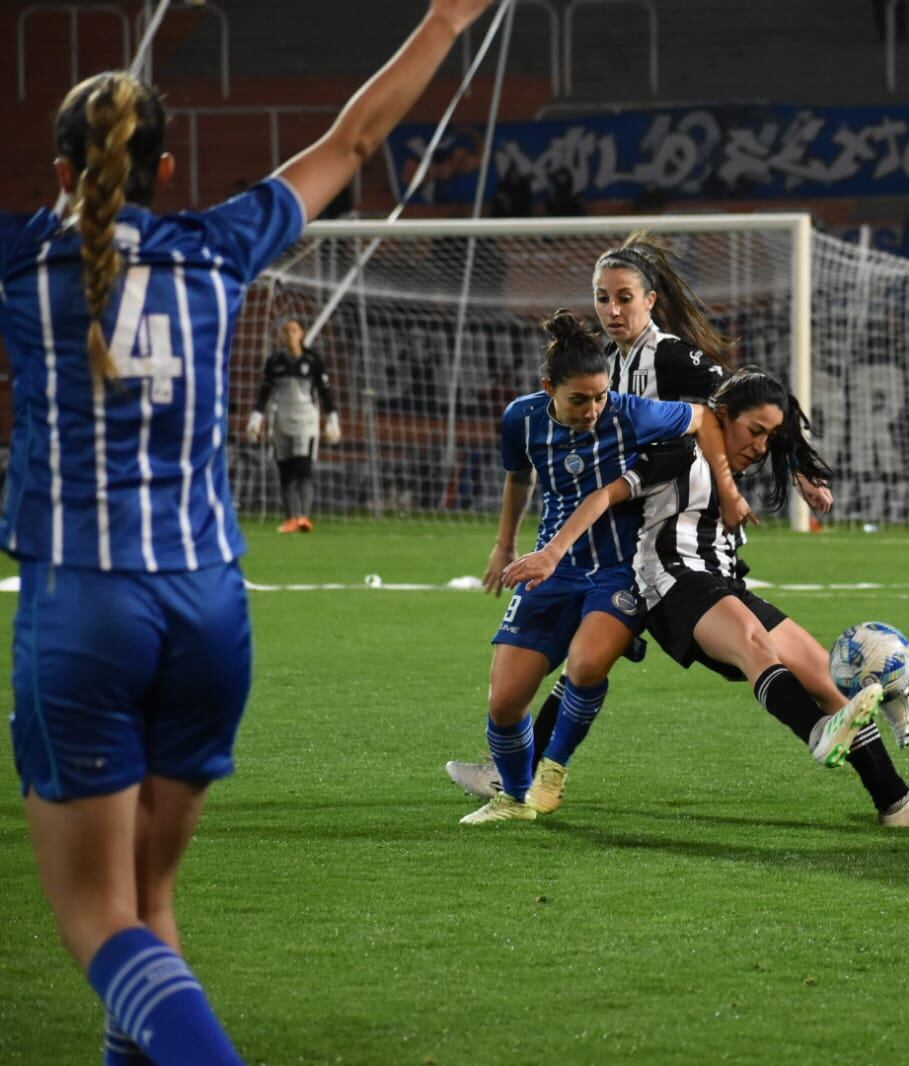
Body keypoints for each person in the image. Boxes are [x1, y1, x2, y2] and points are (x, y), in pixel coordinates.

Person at [0, 2, 497, 1062]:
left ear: (57, 165)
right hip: (210, 605)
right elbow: (355, 140)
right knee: (148, 905)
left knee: (97, 920)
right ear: (169, 170)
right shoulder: (220, 244)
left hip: (85, 603)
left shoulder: (21, 262)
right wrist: (449, 19)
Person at [448, 232, 832, 806]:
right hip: (618, 541)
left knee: (602, 659)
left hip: (663, 546)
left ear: (650, 301)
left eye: (625, 297)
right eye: (603, 298)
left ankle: (526, 775)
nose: (612, 310)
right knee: (578, 664)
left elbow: (744, 398)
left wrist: (795, 463)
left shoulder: (670, 356)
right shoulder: (605, 367)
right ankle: (521, 770)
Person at [501, 368, 909, 828]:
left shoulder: (735, 455)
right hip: (673, 585)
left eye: (769, 436)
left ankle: (896, 801)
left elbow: (778, 437)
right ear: (720, 415)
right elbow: (605, 496)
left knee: (828, 681)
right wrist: (551, 553)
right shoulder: (678, 451)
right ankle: (815, 733)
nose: (760, 445)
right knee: (752, 644)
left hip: (725, 585)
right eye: (754, 431)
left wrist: (802, 470)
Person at [460, 309, 744, 825]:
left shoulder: (631, 412)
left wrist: (725, 489)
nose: (593, 408)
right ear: (548, 387)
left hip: (621, 569)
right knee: (504, 702)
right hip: (553, 567)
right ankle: (514, 798)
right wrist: (503, 546)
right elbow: (518, 479)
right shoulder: (520, 418)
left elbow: (703, 417)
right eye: (579, 399)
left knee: (587, 666)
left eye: (600, 395)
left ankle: (554, 770)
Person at [246, 316, 340, 533]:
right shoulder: (275, 362)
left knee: (303, 468)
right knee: (285, 471)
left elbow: (325, 393)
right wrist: (256, 418)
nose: (290, 335)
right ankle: (291, 518)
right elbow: (265, 393)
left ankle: (304, 517)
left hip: (306, 421)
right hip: (281, 421)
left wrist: (332, 419)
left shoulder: (313, 360)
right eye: (286, 331)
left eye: (294, 331)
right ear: (281, 336)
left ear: (302, 333)